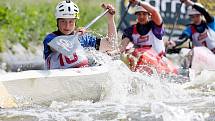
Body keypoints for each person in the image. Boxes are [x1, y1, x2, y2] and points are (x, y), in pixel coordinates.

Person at [43, 0, 117, 69]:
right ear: (57, 22)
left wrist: (110, 19)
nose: (67, 26)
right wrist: (75, 36)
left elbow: (111, 44)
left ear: (75, 22)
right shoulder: (50, 38)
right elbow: (61, 47)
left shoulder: (83, 38)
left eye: (71, 21)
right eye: (63, 21)